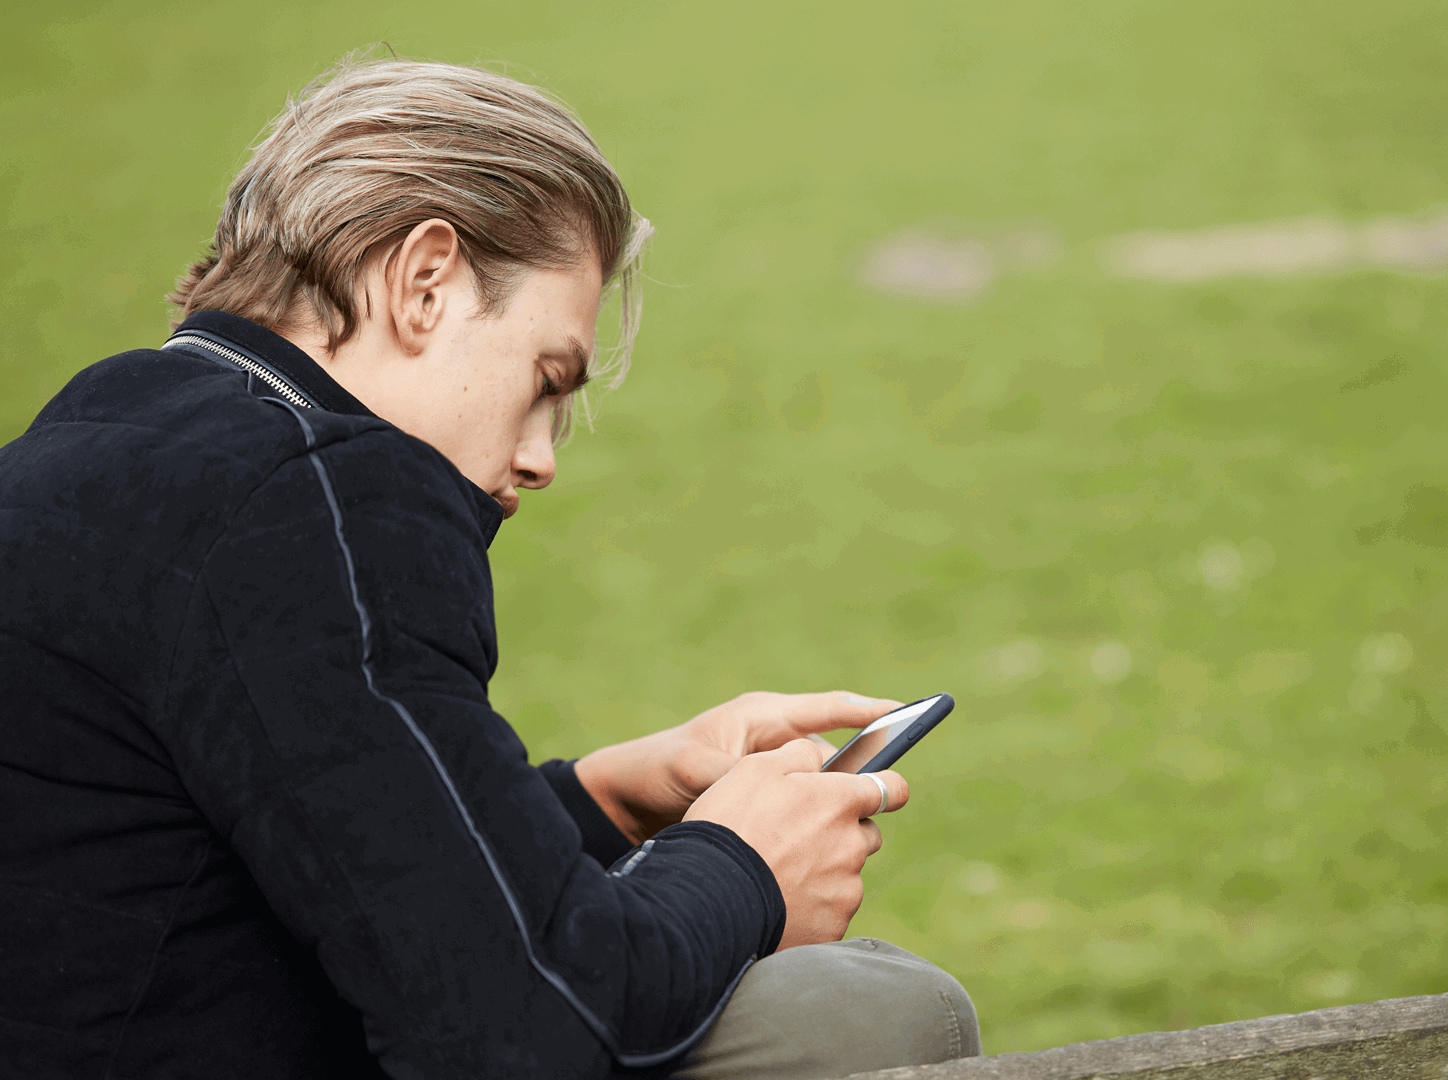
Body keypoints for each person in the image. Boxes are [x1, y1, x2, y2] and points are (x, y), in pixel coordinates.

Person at [0, 56, 979, 1080]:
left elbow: (293, 859)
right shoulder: (325, 491)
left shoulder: (87, 444)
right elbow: (525, 1033)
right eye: (546, 380)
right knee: (876, 1015)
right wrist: (745, 866)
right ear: (426, 281)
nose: (541, 458)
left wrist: (598, 805)